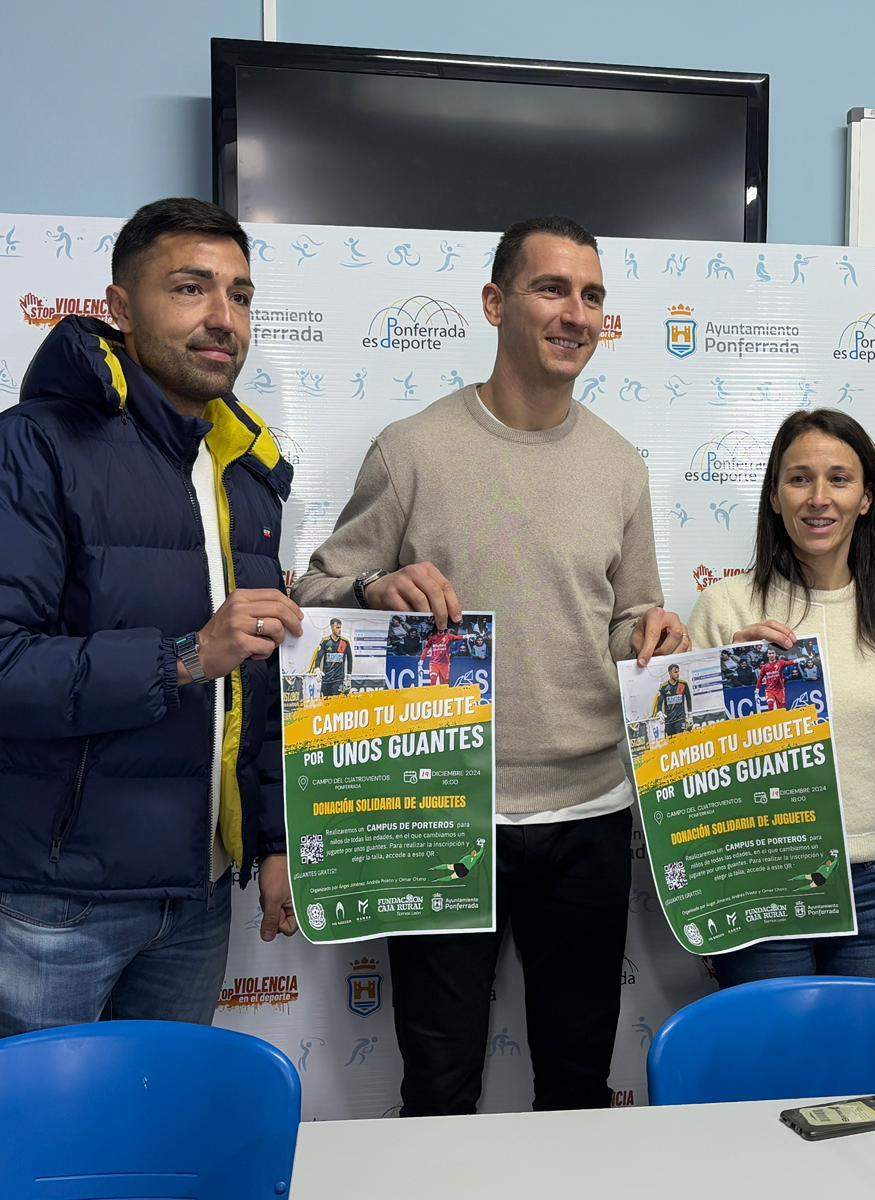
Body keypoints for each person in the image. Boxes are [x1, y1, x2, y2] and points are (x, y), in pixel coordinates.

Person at [293, 215, 688, 1115]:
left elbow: (629, 616)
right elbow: (314, 592)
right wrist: (373, 588)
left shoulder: (620, 464)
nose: (576, 313)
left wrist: (654, 633)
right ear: (494, 302)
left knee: (577, 1083)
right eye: (552, 289)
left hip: (590, 812)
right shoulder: (412, 448)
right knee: (439, 1087)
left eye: (591, 295)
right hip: (442, 810)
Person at [0, 197, 302, 1049]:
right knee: (34, 1131)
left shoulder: (245, 470)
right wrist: (184, 658)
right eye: (191, 288)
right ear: (121, 308)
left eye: (240, 295)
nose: (223, 317)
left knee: (158, 1125)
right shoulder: (29, 447)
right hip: (50, 898)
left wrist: (274, 838)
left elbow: (257, 685)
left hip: (197, 894)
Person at [688, 408, 875, 988]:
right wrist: (727, 681)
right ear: (774, 496)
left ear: (866, 498)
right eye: (799, 479)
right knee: (774, 1048)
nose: (819, 498)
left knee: (863, 1047)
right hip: (761, 880)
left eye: (839, 479)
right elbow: (685, 770)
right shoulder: (725, 607)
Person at [308, 617, 353, 697]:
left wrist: (349, 675)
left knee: (335, 701)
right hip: (326, 679)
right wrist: (317, 668)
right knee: (325, 701)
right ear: (332, 628)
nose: (340, 630)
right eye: (337, 627)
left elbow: (350, 659)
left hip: (338, 679)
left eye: (340, 627)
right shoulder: (325, 641)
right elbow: (319, 657)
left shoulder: (345, 642)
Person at [652, 663, 694, 736]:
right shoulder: (664, 687)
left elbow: (688, 699)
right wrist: (659, 712)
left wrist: (690, 714)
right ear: (670, 673)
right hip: (669, 720)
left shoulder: (683, 684)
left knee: (681, 738)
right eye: (675, 672)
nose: (677, 674)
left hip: (680, 719)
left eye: (678, 672)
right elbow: (660, 702)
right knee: (671, 740)